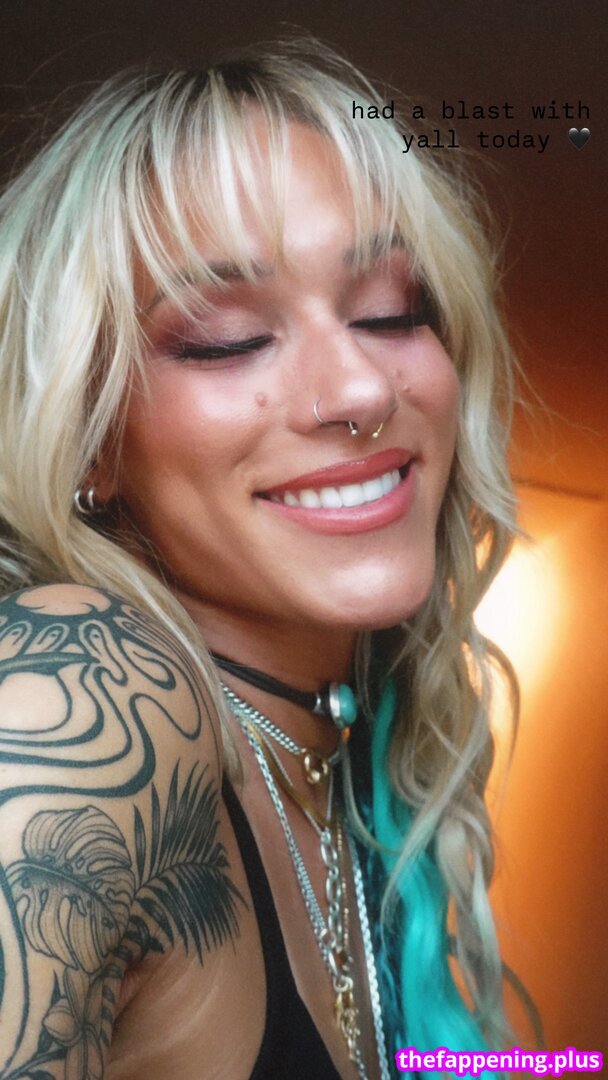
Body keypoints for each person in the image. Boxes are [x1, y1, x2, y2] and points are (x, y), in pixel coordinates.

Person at [0, 38, 521, 1080]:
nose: (360, 389)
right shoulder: (82, 694)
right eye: (228, 337)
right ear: (90, 438)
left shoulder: (348, 764)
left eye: (390, 311)